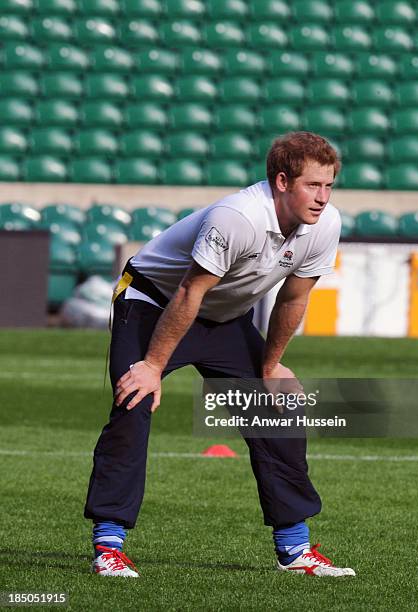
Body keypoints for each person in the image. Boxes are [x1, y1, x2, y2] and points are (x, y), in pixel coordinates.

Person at [84, 131, 356, 578]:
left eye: (329, 186)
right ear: (283, 181)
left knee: (275, 410)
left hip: (224, 317)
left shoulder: (325, 224)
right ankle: (109, 545)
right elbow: (190, 291)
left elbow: (293, 299)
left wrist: (270, 366)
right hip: (153, 302)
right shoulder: (238, 216)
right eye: (313, 185)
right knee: (133, 402)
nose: (323, 197)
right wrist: (151, 367)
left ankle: (295, 549)